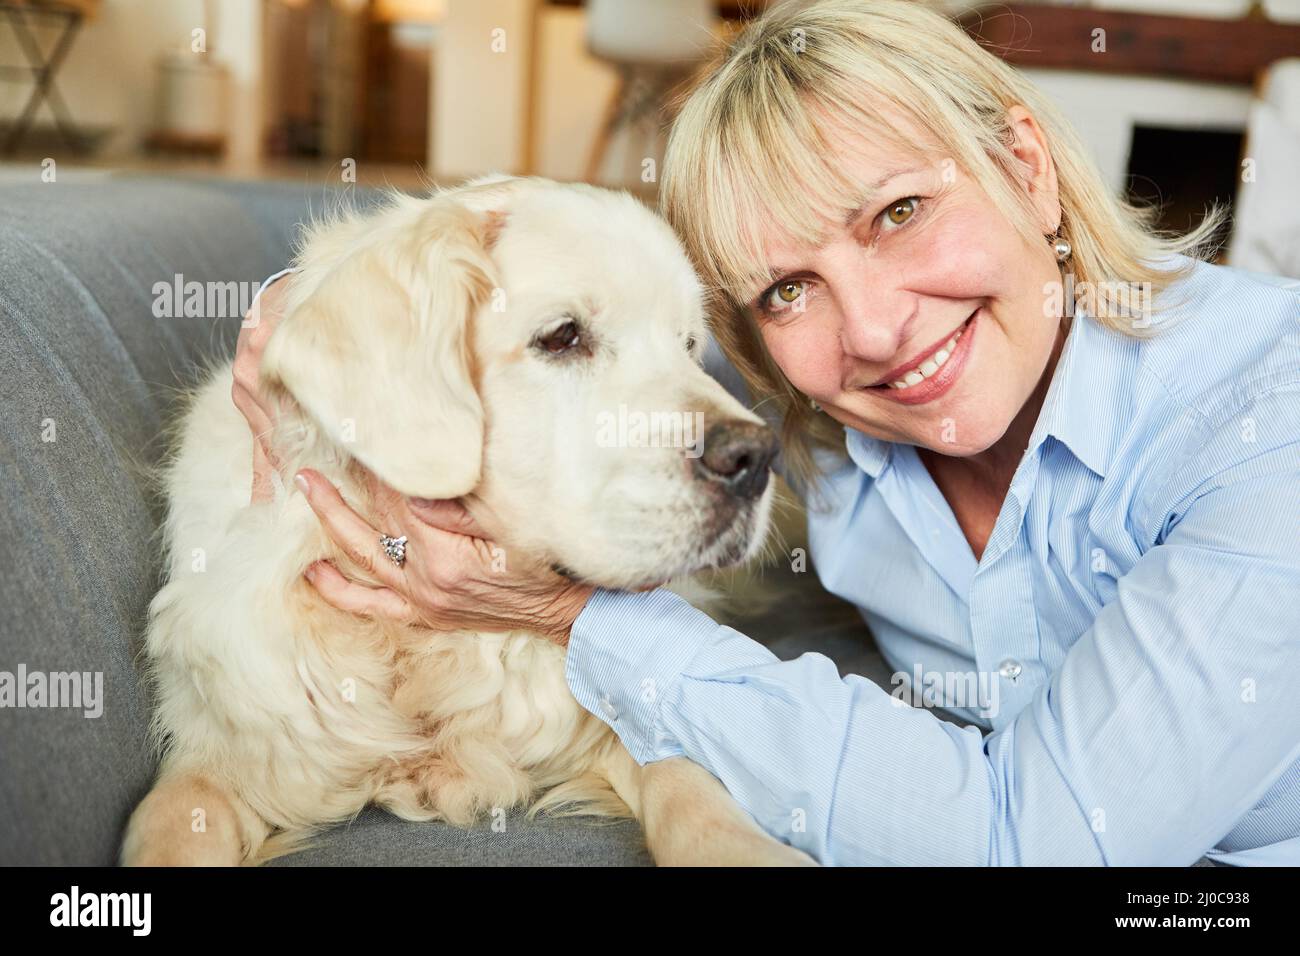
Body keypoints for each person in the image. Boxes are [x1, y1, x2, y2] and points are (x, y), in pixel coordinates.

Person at [236, 0, 1300, 865]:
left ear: (1026, 170)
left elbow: (1040, 841)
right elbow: (584, 311)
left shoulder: (1266, 419)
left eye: (898, 213)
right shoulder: (817, 432)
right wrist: (331, 307)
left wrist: (577, 615)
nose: (877, 329)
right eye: (789, 286)